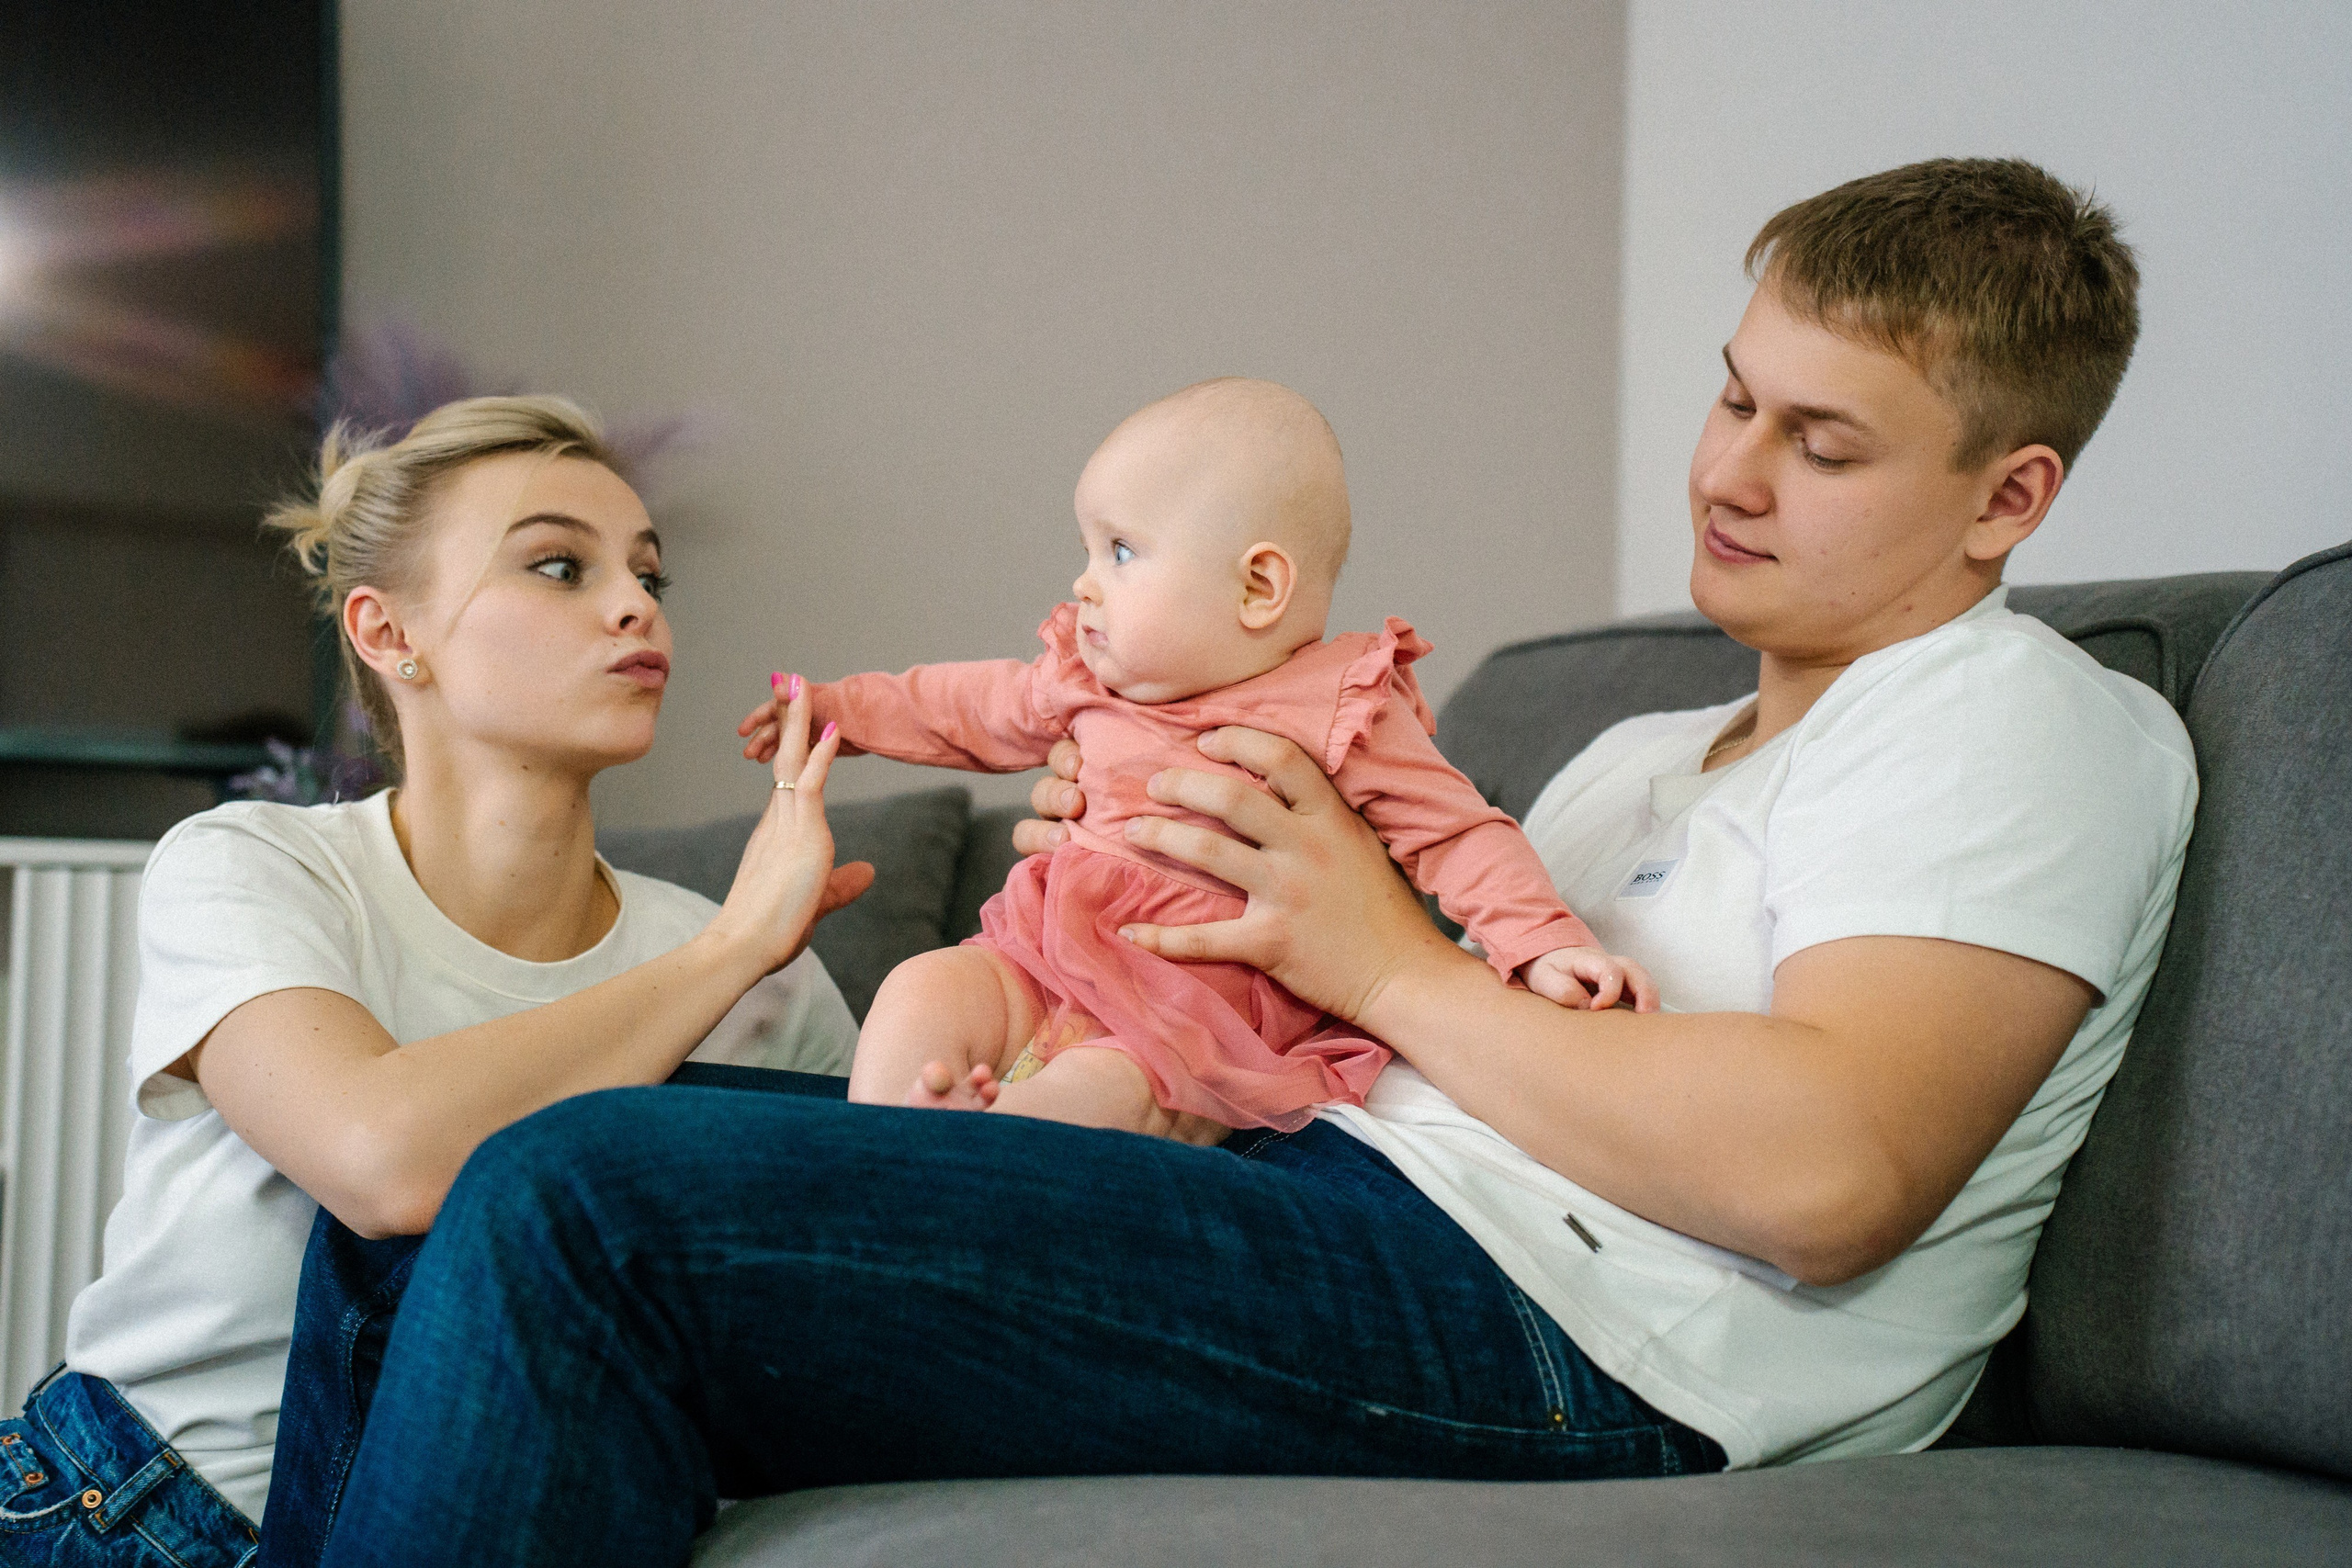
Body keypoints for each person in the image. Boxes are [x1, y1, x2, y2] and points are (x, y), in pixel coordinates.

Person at [297, 156, 2193, 1568]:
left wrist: (1376, 958)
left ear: (2006, 495)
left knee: (581, 1200)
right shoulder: (1631, 751)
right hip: (1325, 1184)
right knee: (418, 1200)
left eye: (1823, 443)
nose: (1730, 472)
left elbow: (1826, 1172)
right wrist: (1162, 898)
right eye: (1730, 396)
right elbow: (1351, 982)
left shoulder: (2011, 720)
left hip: (1574, 1341)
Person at [0, 397, 871, 1564]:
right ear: (386, 630)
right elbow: (384, 1163)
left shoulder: (771, 975)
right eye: (560, 566)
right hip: (144, 1514)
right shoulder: (254, 864)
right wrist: (727, 953)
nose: (634, 605)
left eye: (649, 576)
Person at [736, 378, 1648, 1142]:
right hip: (1044, 952)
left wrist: (1543, 942)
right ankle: (883, 1148)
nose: (1083, 581)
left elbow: (1454, 832)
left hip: (1192, 1010)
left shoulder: (1336, 711)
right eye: (1088, 548)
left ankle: (1003, 1145)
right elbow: (960, 707)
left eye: (1121, 551)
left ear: (1257, 586)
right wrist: (839, 710)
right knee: (923, 985)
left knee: (1114, 1088)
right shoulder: (1085, 678)